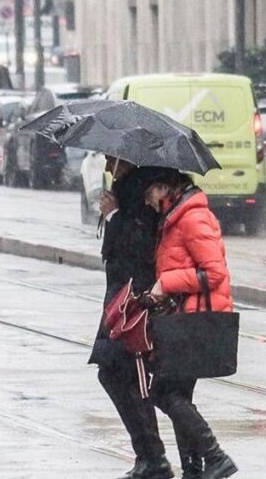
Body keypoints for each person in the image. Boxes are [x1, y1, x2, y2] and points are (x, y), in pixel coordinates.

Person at [143, 168, 238, 479]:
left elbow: (214, 273)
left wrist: (165, 283)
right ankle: (193, 468)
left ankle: (215, 456)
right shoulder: (173, 217)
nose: (147, 200)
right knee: (178, 394)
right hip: (185, 316)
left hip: (196, 319)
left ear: (165, 187)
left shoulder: (191, 217)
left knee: (164, 392)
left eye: (150, 192)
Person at [89, 156, 172, 479]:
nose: (109, 167)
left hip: (133, 302)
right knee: (115, 375)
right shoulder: (128, 190)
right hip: (120, 300)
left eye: (112, 161)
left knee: (126, 377)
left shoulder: (139, 194)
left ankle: (154, 457)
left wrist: (114, 216)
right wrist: (112, 216)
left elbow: (138, 249)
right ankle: (149, 455)